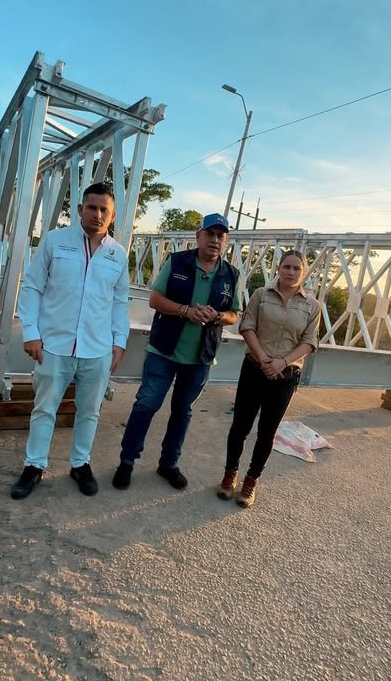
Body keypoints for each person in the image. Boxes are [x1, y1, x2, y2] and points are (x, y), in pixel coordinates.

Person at [11, 182, 129, 500]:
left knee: (89, 411)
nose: (98, 214)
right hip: (54, 345)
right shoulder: (55, 241)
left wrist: (120, 342)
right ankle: (34, 466)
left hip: (98, 348)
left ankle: (80, 464)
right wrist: (31, 333)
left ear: (113, 215)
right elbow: (33, 286)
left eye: (104, 209)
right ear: (80, 210)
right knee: (44, 408)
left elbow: (119, 301)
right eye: (92, 207)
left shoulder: (118, 255)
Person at [113, 213, 240, 491]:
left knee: (183, 412)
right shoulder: (177, 261)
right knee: (146, 404)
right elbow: (155, 299)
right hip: (164, 351)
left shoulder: (231, 274)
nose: (215, 240)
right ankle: (127, 462)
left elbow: (234, 315)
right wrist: (185, 311)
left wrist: (217, 316)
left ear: (226, 241)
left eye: (221, 236)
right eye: (210, 234)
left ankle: (168, 464)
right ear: (199, 236)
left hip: (200, 357)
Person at [217, 250, 320, 508]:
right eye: (287, 266)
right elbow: (246, 326)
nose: (291, 272)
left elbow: (309, 341)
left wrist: (281, 363)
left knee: (267, 432)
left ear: (303, 271)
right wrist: (264, 359)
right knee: (240, 426)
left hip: (285, 375)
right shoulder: (261, 295)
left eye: (297, 268)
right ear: (279, 268)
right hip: (254, 368)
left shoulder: (312, 305)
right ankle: (230, 475)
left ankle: (251, 481)